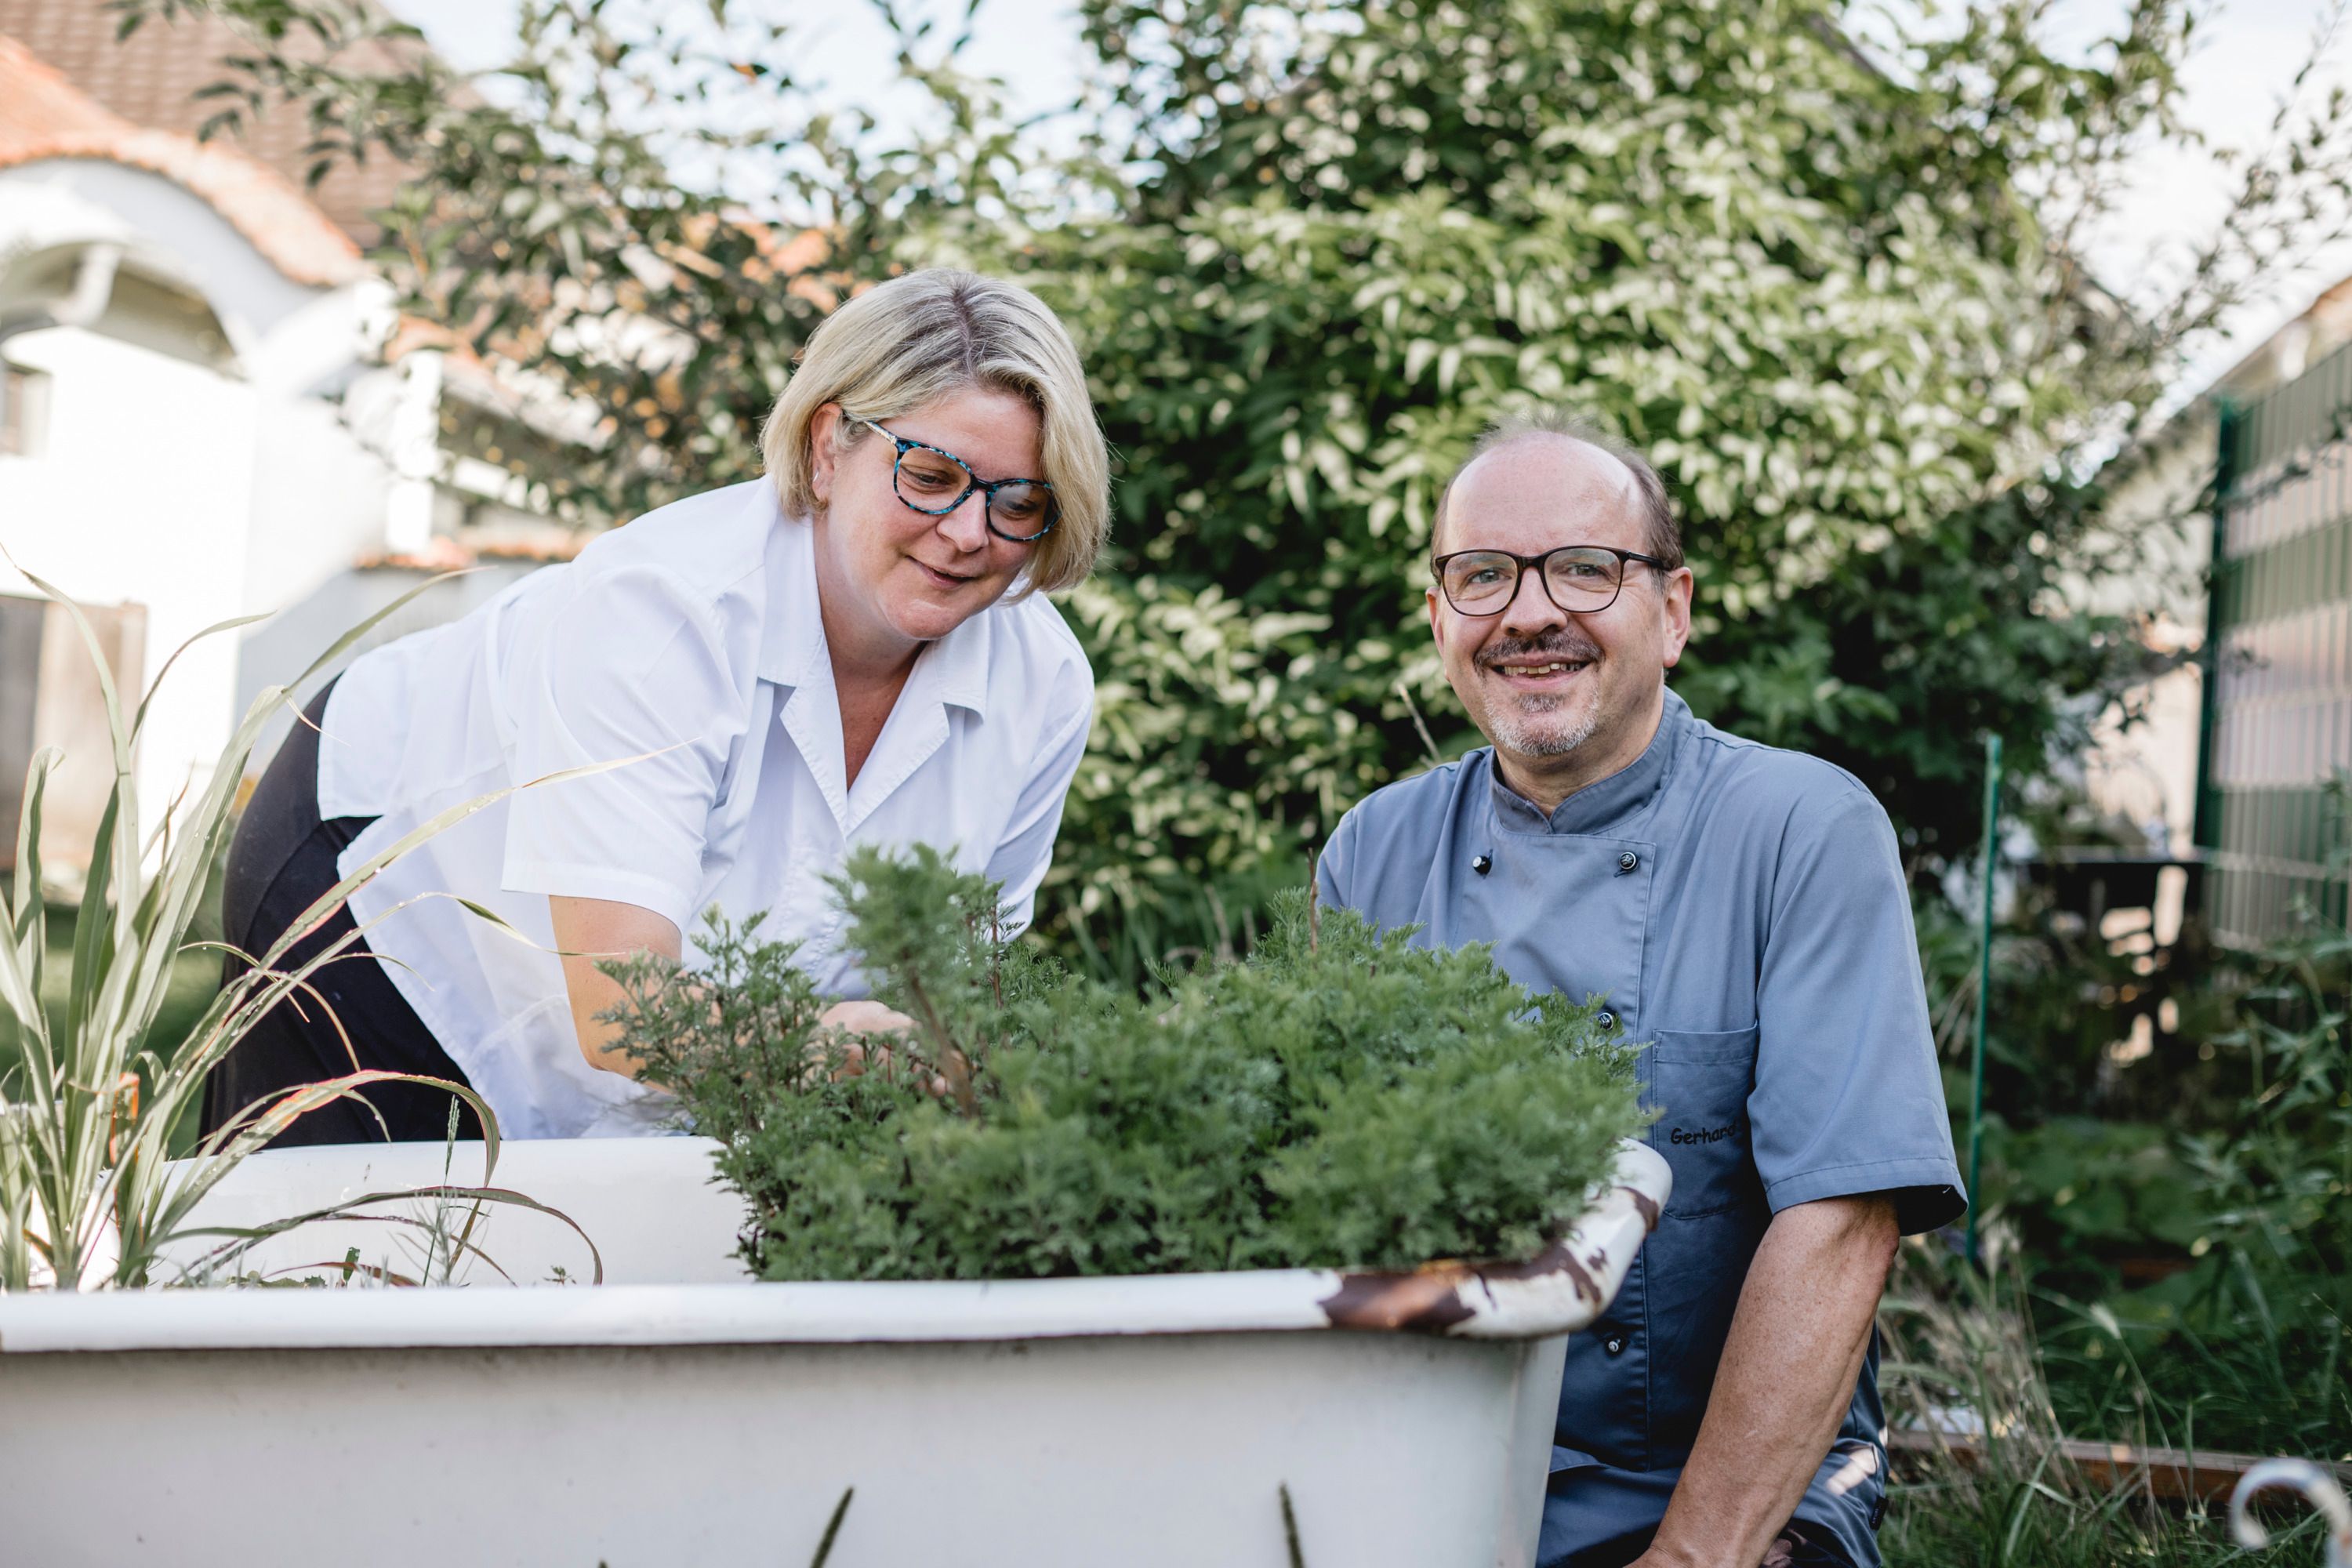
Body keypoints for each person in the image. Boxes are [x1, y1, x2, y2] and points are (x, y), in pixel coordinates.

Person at [205, 268, 1109, 1144]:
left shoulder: (1044, 689)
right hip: (376, 875)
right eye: (933, 475)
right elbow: (629, 1014)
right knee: (354, 1257)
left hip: (620, 978)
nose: (967, 534)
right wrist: (856, 1056)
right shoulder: (661, 616)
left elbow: (960, 991)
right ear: (829, 446)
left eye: (1017, 500)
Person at [1315, 413, 1965, 1568]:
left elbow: (1846, 1222)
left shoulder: (1801, 829)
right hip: (1435, 1467)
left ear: (1672, 612)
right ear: (1438, 619)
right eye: (1482, 576)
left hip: (1726, 1490)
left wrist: (1694, 1554)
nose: (1529, 613)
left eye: (1584, 569)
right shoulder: (1374, 850)